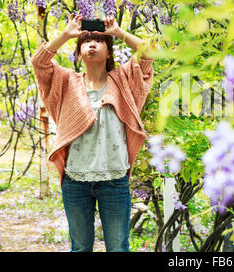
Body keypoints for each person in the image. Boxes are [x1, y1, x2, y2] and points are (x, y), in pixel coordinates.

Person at [30, 13, 155, 252]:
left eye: (99, 40)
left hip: (114, 179)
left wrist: (118, 33)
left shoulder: (123, 79)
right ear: (78, 52)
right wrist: (66, 35)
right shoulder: (66, 81)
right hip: (76, 180)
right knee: (80, 248)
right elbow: (39, 62)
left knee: (118, 248)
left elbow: (149, 53)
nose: (92, 44)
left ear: (109, 52)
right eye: (86, 41)